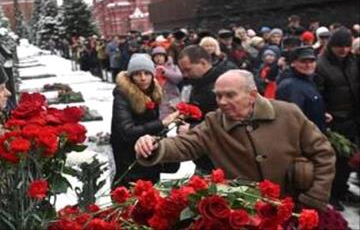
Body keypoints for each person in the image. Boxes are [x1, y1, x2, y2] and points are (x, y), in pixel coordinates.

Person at [135, 70, 336, 210]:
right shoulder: (214, 123)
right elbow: (184, 145)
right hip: (247, 214)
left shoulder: (288, 113)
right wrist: (153, 146)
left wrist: (315, 198)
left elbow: (324, 154)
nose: (222, 102)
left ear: (252, 95)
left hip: (294, 207)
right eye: (218, 96)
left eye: (230, 95)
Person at [110, 54, 179, 187]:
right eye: (137, 74)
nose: (143, 78)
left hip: (148, 152)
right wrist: (162, 123)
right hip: (128, 155)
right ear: (131, 76)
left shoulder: (154, 91)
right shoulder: (122, 95)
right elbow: (127, 131)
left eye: (147, 73)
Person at [316, 27, 360, 210]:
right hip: (335, 120)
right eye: (339, 46)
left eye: (347, 46)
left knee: (349, 159)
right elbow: (319, 93)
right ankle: (332, 194)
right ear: (332, 46)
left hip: (353, 117)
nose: (343, 50)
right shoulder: (322, 65)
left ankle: (342, 189)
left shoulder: (352, 61)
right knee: (334, 160)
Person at [177, 45, 234, 174]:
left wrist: (192, 128)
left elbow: (228, 122)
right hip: (203, 155)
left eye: (188, 69)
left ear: (203, 63)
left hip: (219, 160)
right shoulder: (197, 83)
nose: (185, 75)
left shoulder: (221, 87)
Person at [276, 47, 328, 132]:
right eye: (303, 62)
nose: (308, 65)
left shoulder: (309, 80)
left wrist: (320, 115)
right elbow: (293, 117)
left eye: (312, 61)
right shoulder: (290, 86)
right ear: (293, 63)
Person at [150, 46, 182, 118]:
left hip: (172, 99)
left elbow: (178, 78)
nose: (158, 58)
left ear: (165, 57)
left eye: (161, 56)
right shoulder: (151, 68)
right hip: (157, 100)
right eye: (156, 56)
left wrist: (165, 72)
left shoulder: (173, 67)